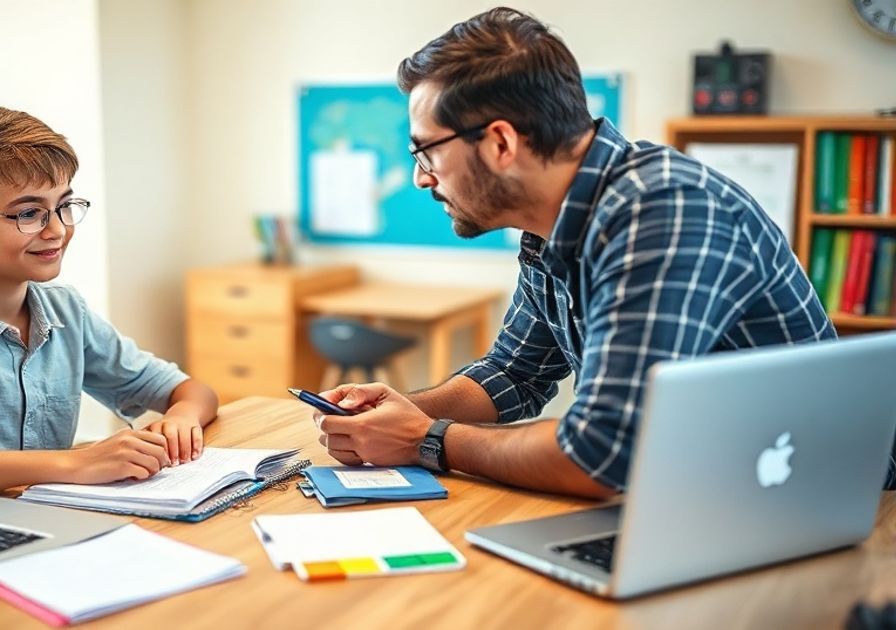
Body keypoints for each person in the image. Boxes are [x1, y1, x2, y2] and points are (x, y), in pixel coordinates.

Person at [313, 7, 874, 499]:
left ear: (502, 143)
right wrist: (402, 411)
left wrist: (425, 441)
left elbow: (601, 454)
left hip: (834, 501)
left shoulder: (662, 211)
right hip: (705, 488)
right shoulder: (552, 219)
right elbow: (515, 373)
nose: (420, 178)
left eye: (427, 152)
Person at [0, 107, 218, 493]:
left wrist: (182, 419)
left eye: (63, 206)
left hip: (48, 520)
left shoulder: (66, 312)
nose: (56, 229)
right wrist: (76, 461)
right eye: (29, 213)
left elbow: (193, 391)